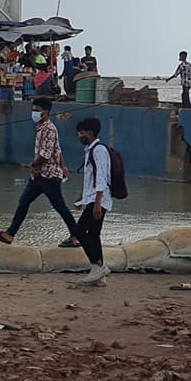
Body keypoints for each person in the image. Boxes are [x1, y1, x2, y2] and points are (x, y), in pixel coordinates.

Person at [0, 98, 82, 249]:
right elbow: (58, 150)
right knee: (24, 202)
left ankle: (76, 236)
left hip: (48, 176)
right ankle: (10, 234)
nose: (34, 113)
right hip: (40, 176)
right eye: (33, 110)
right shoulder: (42, 127)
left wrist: (33, 165)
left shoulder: (48, 129)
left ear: (46, 112)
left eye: (37, 110)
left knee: (60, 207)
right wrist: (63, 166)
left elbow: (45, 154)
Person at [73, 116, 113, 285]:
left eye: (81, 133)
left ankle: (98, 267)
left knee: (79, 232)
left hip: (99, 200)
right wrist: (82, 196)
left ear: (89, 133)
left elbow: (102, 177)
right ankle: (99, 275)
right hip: (92, 197)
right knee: (94, 234)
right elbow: (91, 177)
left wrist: (97, 203)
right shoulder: (91, 150)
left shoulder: (99, 150)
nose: (79, 136)